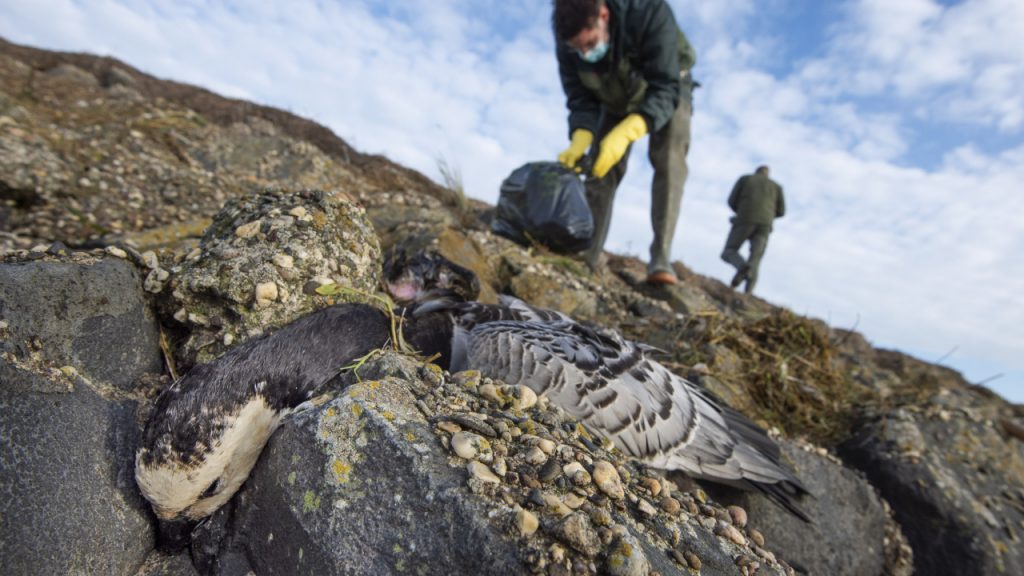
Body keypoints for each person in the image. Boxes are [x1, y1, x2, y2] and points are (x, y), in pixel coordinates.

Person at [552, 0, 696, 286]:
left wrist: (631, 129)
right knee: (600, 166)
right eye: (578, 48)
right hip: (615, 92)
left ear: (603, 15)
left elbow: (665, 86)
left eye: (590, 43)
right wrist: (581, 133)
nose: (585, 53)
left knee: (669, 161)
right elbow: (580, 96)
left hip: (667, 86)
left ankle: (660, 258)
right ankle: (586, 252)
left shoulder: (649, 11)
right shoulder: (567, 36)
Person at [720, 165, 785, 294]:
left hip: (745, 219)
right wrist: (768, 215)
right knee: (755, 258)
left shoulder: (745, 179)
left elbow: (731, 201)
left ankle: (742, 267)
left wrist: (741, 212)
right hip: (765, 225)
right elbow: (781, 211)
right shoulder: (777, 187)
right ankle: (748, 293)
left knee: (729, 251)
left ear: (756, 172)